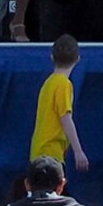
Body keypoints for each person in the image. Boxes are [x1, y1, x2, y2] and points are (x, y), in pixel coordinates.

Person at [31, 34, 90, 173]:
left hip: (39, 149)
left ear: (52, 57)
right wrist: (78, 151)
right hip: (51, 153)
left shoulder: (49, 83)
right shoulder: (63, 84)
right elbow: (65, 118)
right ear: (77, 59)